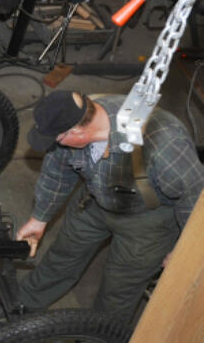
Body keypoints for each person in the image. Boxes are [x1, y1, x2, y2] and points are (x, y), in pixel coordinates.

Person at [14, 90, 204, 320]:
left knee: (119, 289)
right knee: (62, 255)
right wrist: (39, 218)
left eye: (57, 139)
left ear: (76, 132)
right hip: (94, 199)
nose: (54, 145)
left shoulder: (164, 143)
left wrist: (184, 251)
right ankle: (22, 305)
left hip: (148, 223)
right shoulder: (71, 132)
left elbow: (194, 200)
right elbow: (57, 173)